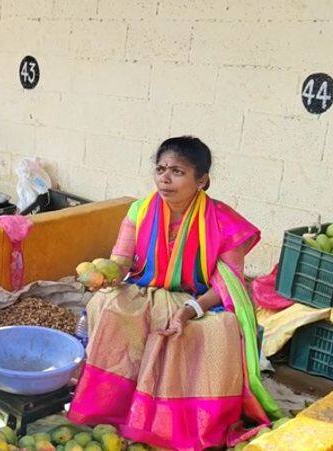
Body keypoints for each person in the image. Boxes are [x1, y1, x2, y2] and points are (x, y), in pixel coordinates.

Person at [68, 137, 282, 450]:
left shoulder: (224, 221)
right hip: (148, 290)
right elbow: (122, 261)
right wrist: (105, 278)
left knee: (216, 331)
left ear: (202, 180)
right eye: (161, 169)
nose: (165, 179)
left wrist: (190, 310)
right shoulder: (140, 211)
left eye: (177, 172)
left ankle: (175, 422)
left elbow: (227, 285)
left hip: (200, 299)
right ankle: (115, 407)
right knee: (108, 303)